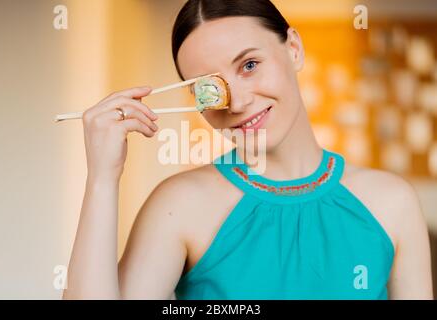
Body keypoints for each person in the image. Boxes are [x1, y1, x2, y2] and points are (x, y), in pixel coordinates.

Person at [63, 0, 433, 299]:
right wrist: (101, 177)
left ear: (294, 49)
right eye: (210, 88)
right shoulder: (179, 205)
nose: (237, 101)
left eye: (250, 65)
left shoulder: (392, 203)